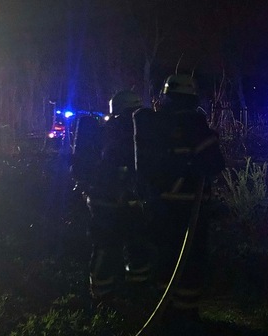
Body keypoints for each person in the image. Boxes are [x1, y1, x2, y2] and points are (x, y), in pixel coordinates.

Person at [133, 74, 225, 332]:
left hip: (160, 204)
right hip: (189, 207)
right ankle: (187, 315)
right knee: (191, 261)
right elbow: (215, 164)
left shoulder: (154, 123)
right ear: (191, 97)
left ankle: (166, 311)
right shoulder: (194, 123)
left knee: (166, 258)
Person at [71, 90, 151, 305]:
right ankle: (137, 289)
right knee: (136, 244)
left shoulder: (105, 130)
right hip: (126, 199)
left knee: (105, 246)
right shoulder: (131, 130)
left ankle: (102, 293)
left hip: (102, 199)